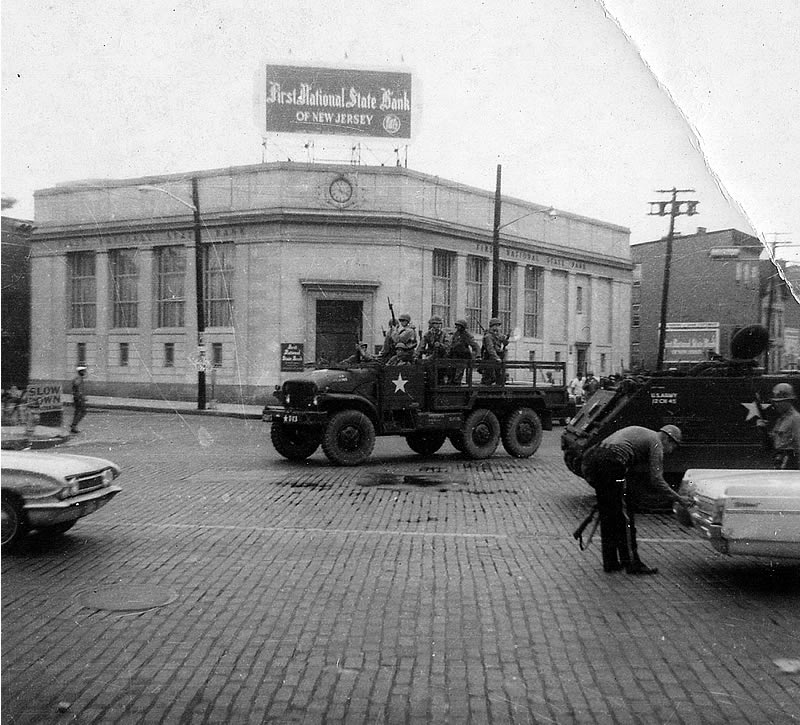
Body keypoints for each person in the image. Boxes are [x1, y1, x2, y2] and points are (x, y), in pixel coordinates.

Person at [581, 424, 687, 575]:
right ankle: (632, 564)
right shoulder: (656, 442)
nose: (670, 451)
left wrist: (607, 493)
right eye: (673, 447)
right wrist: (678, 498)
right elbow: (656, 479)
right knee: (625, 518)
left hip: (594, 458)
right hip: (611, 461)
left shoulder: (644, 434)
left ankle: (610, 562)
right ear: (667, 439)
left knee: (608, 515)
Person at [758, 382, 800, 469]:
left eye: (780, 402)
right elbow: (771, 446)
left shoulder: (795, 419)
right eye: (775, 402)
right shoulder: (781, 420)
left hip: (791, 462)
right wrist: (763, 430)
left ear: (789, 401)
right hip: (780, 460)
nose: (776, 404)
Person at [447, 319, 480, 384]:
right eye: (457, 325)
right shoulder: (455, 334)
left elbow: (474, 344)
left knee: (459, 371)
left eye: (459, 326)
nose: (457, 327)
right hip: (454, 355)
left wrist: (478, 354)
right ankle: (451, 382)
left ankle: (457, 383)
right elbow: (451, 344)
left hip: (463, 356)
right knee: (451, 371)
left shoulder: (466, 335)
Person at [480, 317, 507, 385]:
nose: (498, 327)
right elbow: (490, 349)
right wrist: (496, 358)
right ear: (493, 326)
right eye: (496, 325)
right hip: (490, 358)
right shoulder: (488, 336)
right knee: (489, 377)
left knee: (499, 376)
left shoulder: (497, 335)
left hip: (497, 357)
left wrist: (505, 341)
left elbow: (503, 339)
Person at [70, 366, 88, 434]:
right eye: (84, 371)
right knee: (83, 412)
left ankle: (73, 426)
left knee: (77, 412)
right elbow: (78, 389)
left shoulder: (79, 378)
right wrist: (82, 397)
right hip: (79, 398)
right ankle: (73, 425)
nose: (85, 372)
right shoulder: (79, 379)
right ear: (81, 372)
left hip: (77, 398)